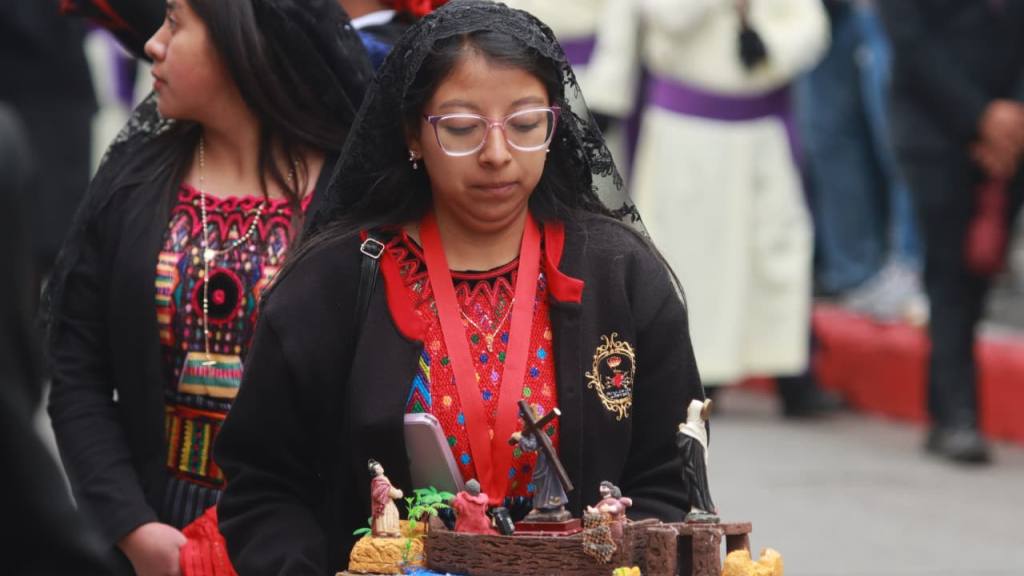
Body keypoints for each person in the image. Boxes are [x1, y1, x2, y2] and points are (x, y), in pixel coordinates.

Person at [213, 2, 704, 573]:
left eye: (524, 125)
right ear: (412, 135)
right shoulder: (335, 281)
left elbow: (668, 482)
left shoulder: (620, 274)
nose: (497, 155)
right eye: (462, 129)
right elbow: (264, 483)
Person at [44, 0, 371, 573]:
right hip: (153, 535)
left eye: (174, 21)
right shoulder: (136, 186)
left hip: (304, 547)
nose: (152, 42)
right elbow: (77, 371)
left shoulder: (353, 203)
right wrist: (134, 529)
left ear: (239, 42)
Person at [585, 0, 828, 395]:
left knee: (776, 250)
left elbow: (810, 24)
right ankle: (702, 370)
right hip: (689, 130)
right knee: (697, 256)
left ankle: (790, 370)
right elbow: (666, 15)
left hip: (762, 126)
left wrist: (771, 44)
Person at [877, 1, 1024, 464]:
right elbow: (912, 40)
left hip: (1013, 128)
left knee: (983, 269)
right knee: (949, 268)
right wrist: (980, 117)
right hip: (934, 127)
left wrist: (1011, 116)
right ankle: (954, 414)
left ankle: (955, 405)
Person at [368, 460, 404, 537]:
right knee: (384, 515)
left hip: (388, 501)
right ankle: (383, 532)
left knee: (393, 513)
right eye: (377, 469)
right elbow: (386, 490)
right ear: (374, 472)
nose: (380, 469)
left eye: (380, 466)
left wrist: (395, 492)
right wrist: (397, 493)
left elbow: (388, 487)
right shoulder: (377, 481)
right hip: (383, 503)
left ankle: (394, 531)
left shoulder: (384, 478)